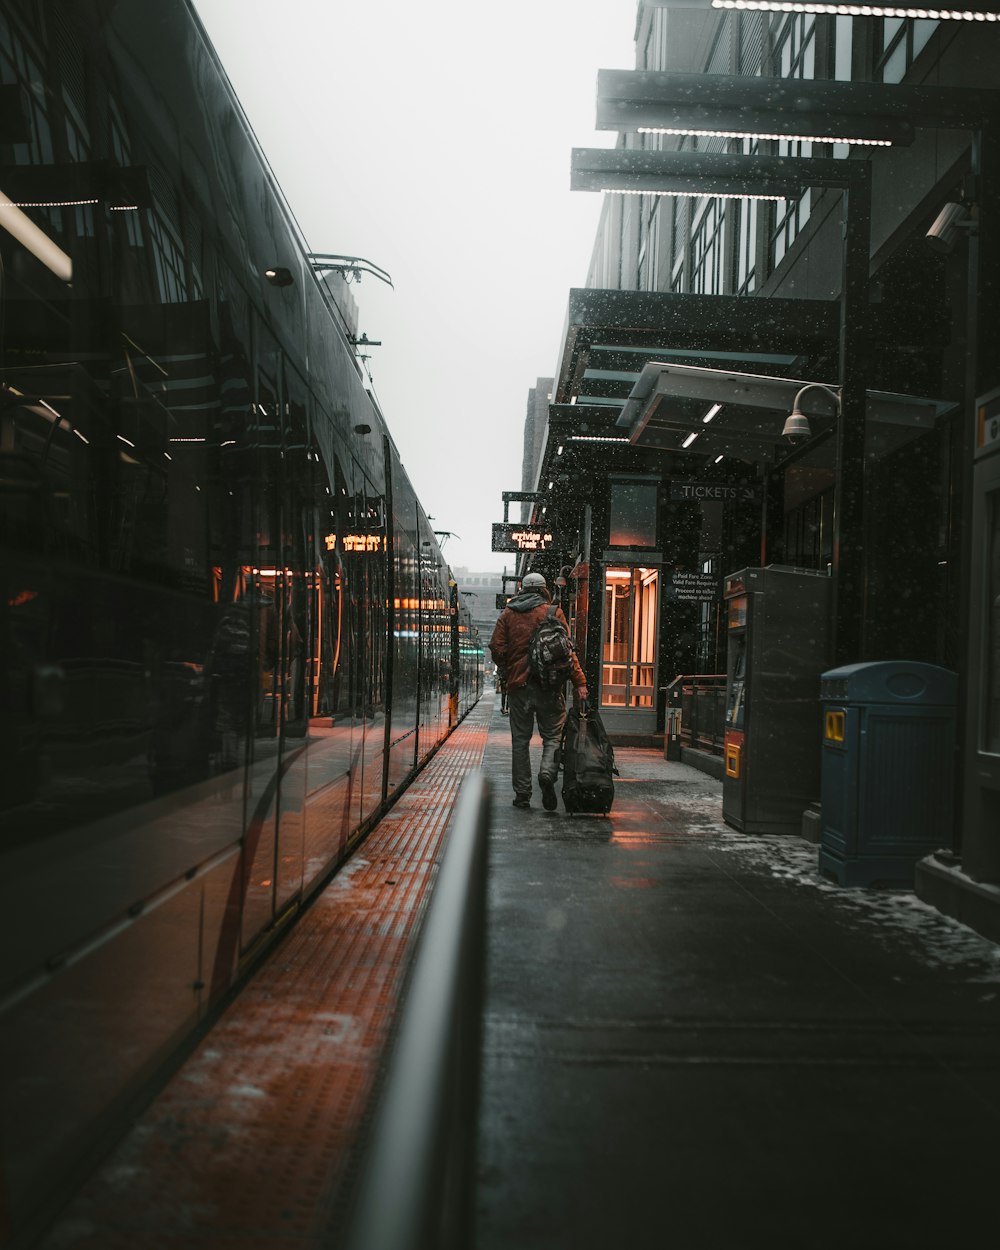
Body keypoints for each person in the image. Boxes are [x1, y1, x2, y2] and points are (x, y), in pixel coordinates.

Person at [489, 571, 588, 811]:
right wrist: (580, 682)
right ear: (544, 589)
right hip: (550, 687)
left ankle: (522, 794)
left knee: (520, 741)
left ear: (522, 588)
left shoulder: (508, 614)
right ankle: (547, 773)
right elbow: (568, 651)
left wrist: (510, 668)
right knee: (553, 736)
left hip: (519, 688)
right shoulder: (554, 612)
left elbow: (496, 648)